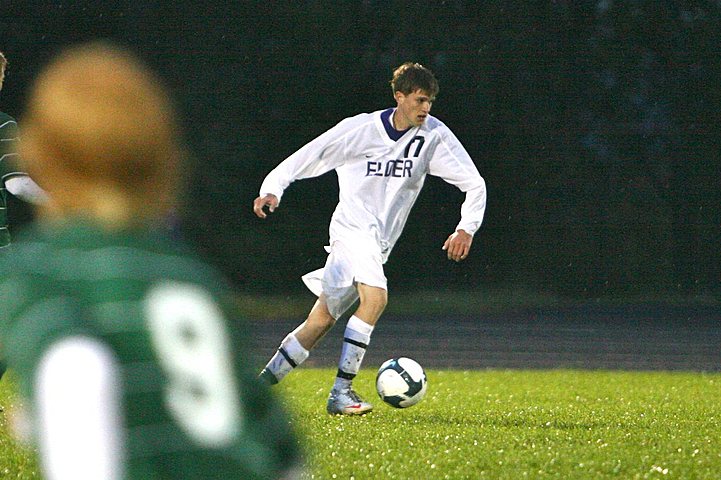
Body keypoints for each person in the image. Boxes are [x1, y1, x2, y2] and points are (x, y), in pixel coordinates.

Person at [0, 42, 301, 479]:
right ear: (162, 158)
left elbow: (79, 392)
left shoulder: (44, 273)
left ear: (42, 152)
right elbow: (281, 457)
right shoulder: (193, 276)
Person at [253, 62, 487, 415]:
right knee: (375, 298)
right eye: (420, 100)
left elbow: (474, 183)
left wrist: (466, 226)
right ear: (399, 97)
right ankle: (341, 392)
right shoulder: (359, 130)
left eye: (430, 102)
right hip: (351, 230)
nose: (426, 108)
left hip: (378, 243)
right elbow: (310, 154)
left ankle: (255, 391)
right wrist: (273, 189)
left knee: (319, 322)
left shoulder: (433, 136)